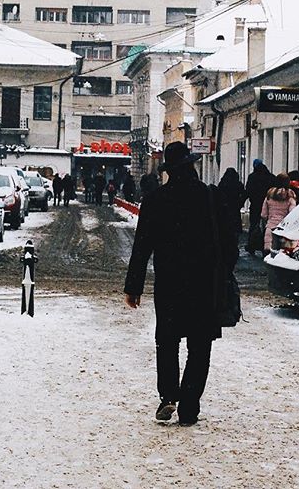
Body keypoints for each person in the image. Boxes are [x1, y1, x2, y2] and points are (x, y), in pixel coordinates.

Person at [125, 141, 238, 426]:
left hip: (169, 284)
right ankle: (189, 405)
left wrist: (134, 287)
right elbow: (229, 242)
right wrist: (223, 270)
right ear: (192, 166)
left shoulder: (155, 201)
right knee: (200, 346)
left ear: (168, 171)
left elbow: (142, 247)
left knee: (167, 341)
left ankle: (168, 396)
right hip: (205, 285)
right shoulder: (211, 198)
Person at [245, 159, 276, 255]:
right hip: (269, 206)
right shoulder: (270, 177)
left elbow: (248, 191)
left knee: (254, 225)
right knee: (266, 227)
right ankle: (264, 246)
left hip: (255, 205)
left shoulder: (252, 177)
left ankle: (252, 245)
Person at [260, 173, 297, 253]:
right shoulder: (290, 197)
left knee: (268, 254)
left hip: (270, 229)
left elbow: (263, 215)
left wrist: (267, 223)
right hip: (285, 231)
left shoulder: (269, 196)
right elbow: (292, 214)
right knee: (285, 255)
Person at [217, 167, 247, 234]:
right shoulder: (238, 184)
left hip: (225, 208)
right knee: (235, 228)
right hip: (235, 207)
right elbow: (245, 194)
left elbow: (218, 195)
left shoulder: (222, 183)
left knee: (225, 227)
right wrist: (240, 203)